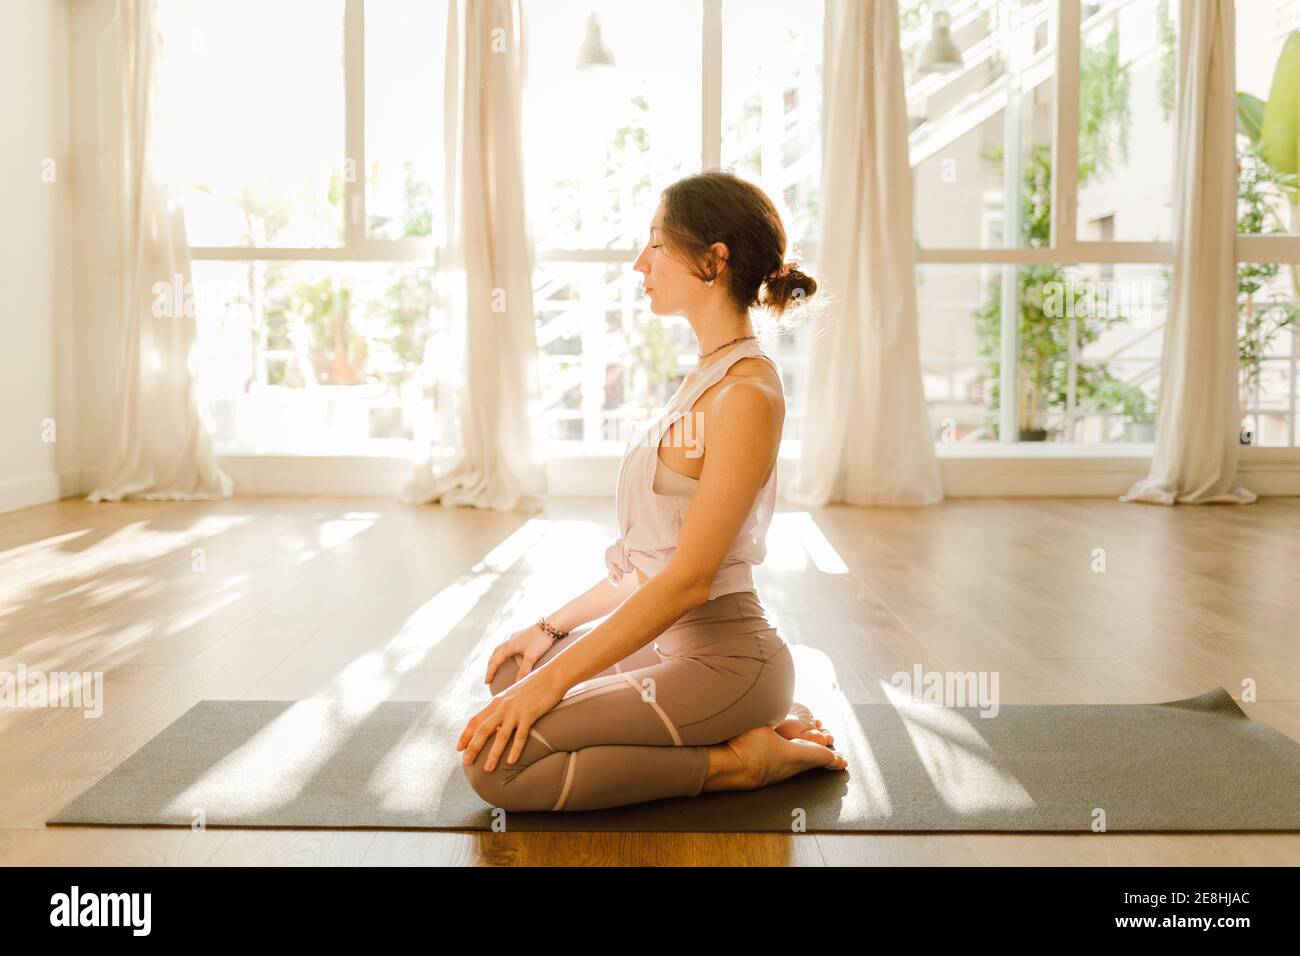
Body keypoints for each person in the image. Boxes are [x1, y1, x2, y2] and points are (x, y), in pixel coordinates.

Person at [456, 169, 848, 812]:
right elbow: (650, 567)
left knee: (497, 770)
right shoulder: (703, 378)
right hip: (667, 643)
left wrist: (550, 688)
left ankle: (741, 760)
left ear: (713, 260)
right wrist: (546, 632)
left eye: (657, 244)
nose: (641, 261)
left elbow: (690, 581)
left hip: (725, 659)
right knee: (511, 675)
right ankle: (737, 723)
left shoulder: (745, 394)